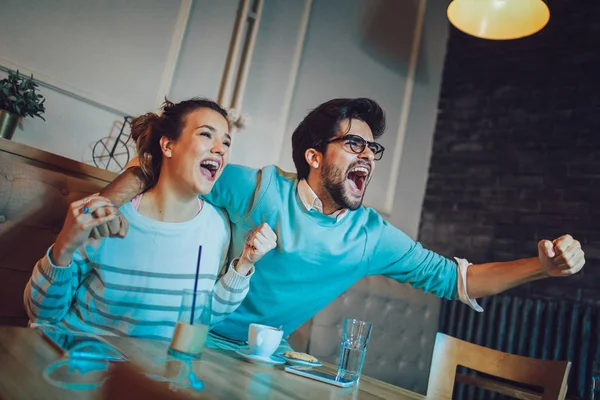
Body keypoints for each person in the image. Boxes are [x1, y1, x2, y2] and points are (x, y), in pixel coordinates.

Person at [95, 98, 585, 348]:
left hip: (264, 357)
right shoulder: (260, 187)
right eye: (354, 145)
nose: (368, 157)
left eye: (373, 150)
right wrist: (105, 206)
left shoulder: (371, 236)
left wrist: (541, 268)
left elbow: (459, 278)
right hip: (190, 338)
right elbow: (157, 168)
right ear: (313, 155)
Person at [23, 98, 277, 341]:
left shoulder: (217, 227)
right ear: (167, 146)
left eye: (227, 142)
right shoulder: (107, 216)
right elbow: (42, 313)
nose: (220, 148)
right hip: (80, 365)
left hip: (148, 378)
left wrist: (244, 265)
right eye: (206, 134)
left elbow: (202, 317)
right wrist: (64, 247)